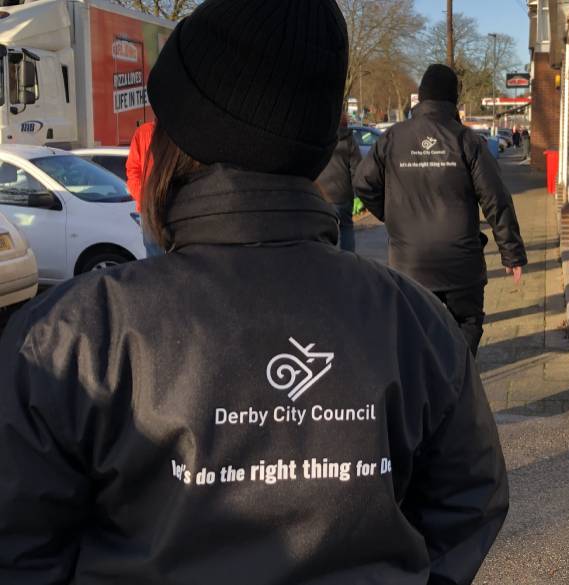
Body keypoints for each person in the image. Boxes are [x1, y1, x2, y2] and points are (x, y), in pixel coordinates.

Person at [0, 2, 508, 584]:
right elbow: (468, 500)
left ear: (177, 140)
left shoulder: (71, 340)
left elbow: (20, 546)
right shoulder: (416, 324)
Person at [355, 64, 527, 356]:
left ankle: (425, 381)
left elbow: (363, 183)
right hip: (461, 265)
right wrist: (511, 252)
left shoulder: (393, 138)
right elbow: (495, 197)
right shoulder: (466, 141)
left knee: (415, 337)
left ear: (421, 97)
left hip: (409, 264)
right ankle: (457, 378)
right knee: (466, 325)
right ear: (453, 100)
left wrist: (392, 215)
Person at [316, 113, 362, 252]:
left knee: (323, 231)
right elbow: (357, 169)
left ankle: (327, 259)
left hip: (321, 193)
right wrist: (358, 193)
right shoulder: (349, 140)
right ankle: (348, 260)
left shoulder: (319, 138)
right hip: (343, 194)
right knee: (346, 228)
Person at [126, 120, 163, 257]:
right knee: (154, 255)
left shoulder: (178, 132)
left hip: (175, 204)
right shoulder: (143, 133)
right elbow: (132, 171)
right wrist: (144, 198)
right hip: (149, 209)